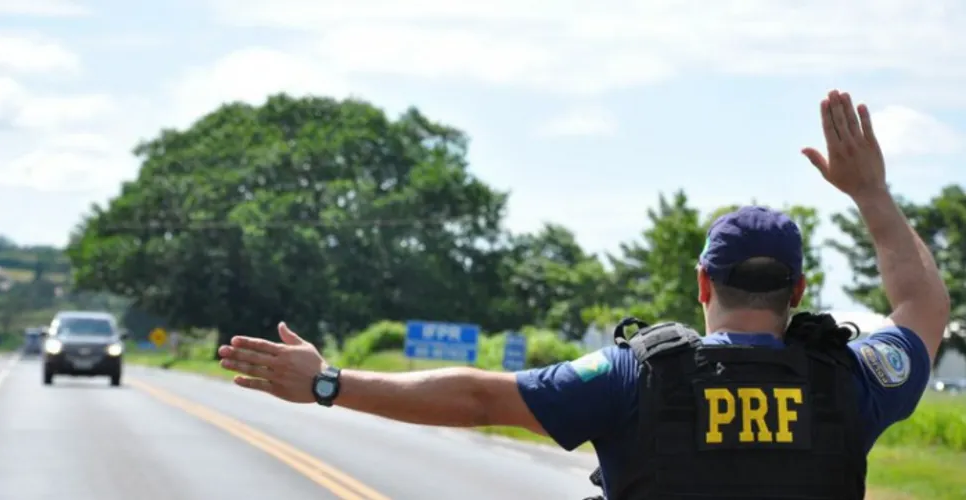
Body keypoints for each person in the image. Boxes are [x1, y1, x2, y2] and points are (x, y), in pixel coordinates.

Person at [217, 89, 950, 499]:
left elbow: (478, 398)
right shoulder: (851, 379)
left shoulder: (638, 375)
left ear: (702, 284)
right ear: (798, 289)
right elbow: (922, 309)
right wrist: (872, 194)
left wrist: (328, 382)